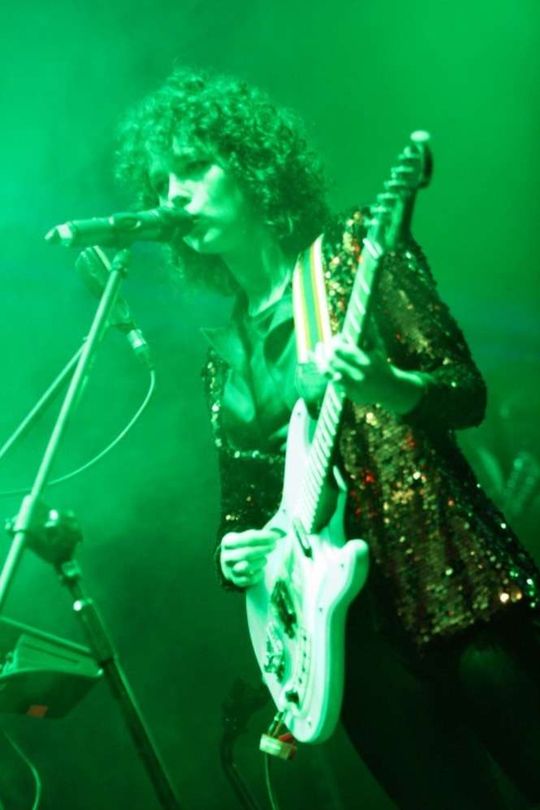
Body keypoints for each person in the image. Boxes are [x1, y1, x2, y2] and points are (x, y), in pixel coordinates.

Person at [115, 67, 540, 809]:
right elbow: (246, 509)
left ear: (251, 167)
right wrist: (236, 553)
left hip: (453, 590)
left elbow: (466, 392)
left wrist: (390, 385)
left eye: (193, 168)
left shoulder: (351, 254)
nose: (173, 195)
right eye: (160, 183)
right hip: (352, 646)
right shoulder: (225, 357)